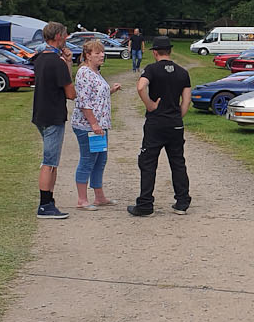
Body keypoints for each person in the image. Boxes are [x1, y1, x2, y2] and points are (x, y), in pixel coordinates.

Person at [127, 36, 191, 217]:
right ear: (170, 51)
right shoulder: (182, 72)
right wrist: (178, 115)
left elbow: (141, 87)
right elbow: (186, 100)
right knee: (178, 162)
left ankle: (145, 204)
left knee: (148, 163)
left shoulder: (151, 69)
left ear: (155, 52)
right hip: (175, 124)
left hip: (156, 123)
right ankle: (182, 202)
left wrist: (150, 105)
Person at [31, 21, 77, 219]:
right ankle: (44, 204)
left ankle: (50, 200)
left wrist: (67, 62)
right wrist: (66, 64)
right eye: (65, 35)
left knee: (53, 161)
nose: (66, 38)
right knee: (49, 162)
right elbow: (71, 93)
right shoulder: (55, 62)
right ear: (58, 37)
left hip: (41, 113)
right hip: (53, 115)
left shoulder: (40, 58)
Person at [71, 39, 123, 209]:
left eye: (102, 52)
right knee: (88, 159)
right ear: (87, 55)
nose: (102, 55)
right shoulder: (84, 73)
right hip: (88, 126)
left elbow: (97, 96)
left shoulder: (95, 72)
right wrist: (93, 124)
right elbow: (84, 102)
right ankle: (82, 199)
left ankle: (99, 197)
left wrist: (111, 90)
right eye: (97, 53)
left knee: (100, 159)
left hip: (100, 125)